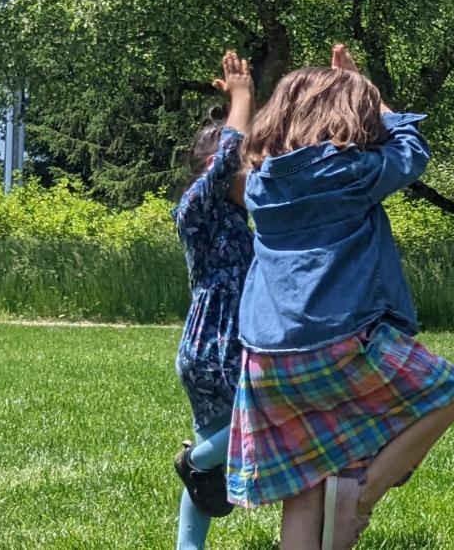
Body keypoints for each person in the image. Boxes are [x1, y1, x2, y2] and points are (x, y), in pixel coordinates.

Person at [227, 44, 454, 549]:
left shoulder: (260, 185)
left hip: (266, 358)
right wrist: (375, 97)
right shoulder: (350, 173)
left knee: (305, 488)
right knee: (450, 391)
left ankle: (337, 517)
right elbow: (410, 151)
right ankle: (361, 498)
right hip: (341, 342)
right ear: (344, 117)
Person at [172, 50, 254, 549]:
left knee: (213, 454)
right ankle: (194, 461)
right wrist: (243, 97)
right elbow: (229, 158)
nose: (252, 174)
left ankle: (188, 545)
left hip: (215, 345)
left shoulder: (237, 218)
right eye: (247, 167)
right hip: (215, 346)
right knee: (258, 423)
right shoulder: (196, 207)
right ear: (213, 167)